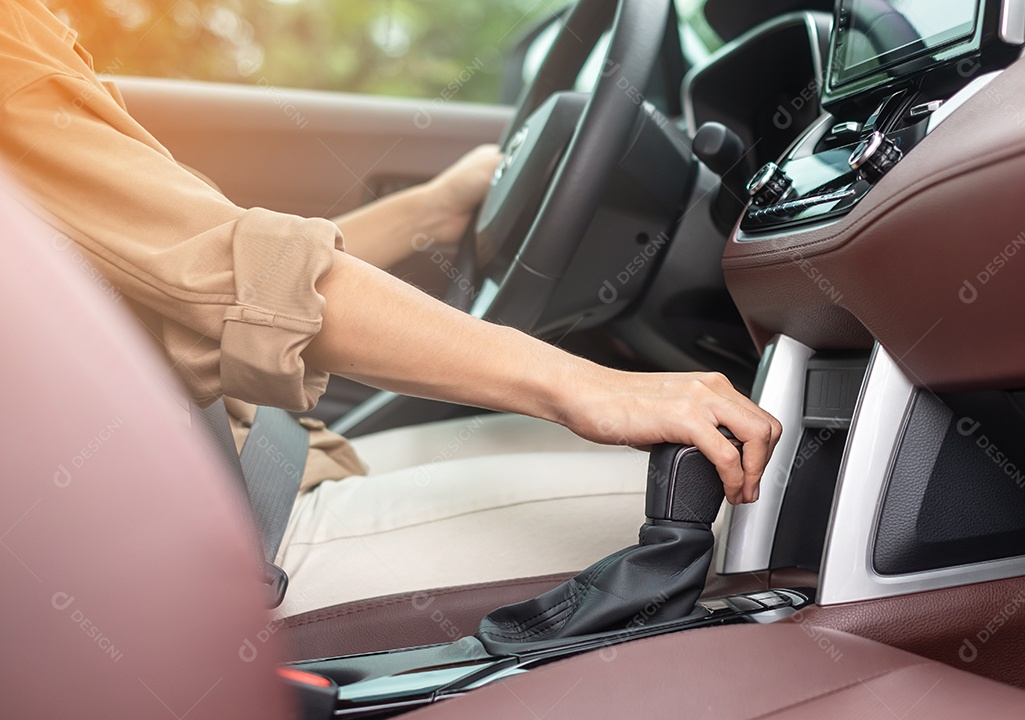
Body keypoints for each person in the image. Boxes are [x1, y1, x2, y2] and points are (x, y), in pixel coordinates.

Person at [0, 0, 781, 616]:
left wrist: (432, 212)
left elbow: (178, 258)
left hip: (245, 470)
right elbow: (228, 277)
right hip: (207, 559)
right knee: (767, 513)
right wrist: (592, 387)